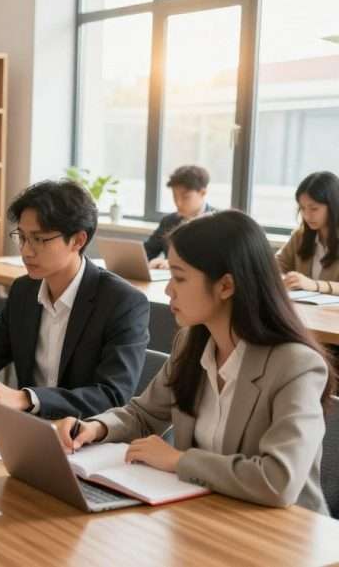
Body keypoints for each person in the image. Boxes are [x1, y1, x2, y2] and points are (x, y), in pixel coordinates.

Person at [55, 210, 336, 514]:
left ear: (226, 286)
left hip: (284, 535)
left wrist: (178, 461)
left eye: (179, 277)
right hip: (206, 512)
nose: (167, 289)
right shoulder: (191, 343)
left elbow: (279, 480)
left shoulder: (296, 365)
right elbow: (144, 414)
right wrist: (95, 428)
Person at [0, 179, 150, 419]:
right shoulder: (25, 290)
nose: (25, 251)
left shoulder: (122, 302)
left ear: (78, 240)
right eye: (21, 237)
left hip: (84, 436)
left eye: (39, 239)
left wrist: (26, 398)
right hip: (29, 427)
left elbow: (112, 395)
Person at [277, 171, 339, 295]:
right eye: (303, 208)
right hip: (305, 310)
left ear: (333, 206)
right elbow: (275, 265)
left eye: (314, 208)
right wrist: (283, 278)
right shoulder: (300, 236)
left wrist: (314, 285)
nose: (306, 215)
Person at [145, 165, 215, 269]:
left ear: (203, 192)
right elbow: (147, 252)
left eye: (185, 197)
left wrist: (174, 265)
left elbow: (214, 263)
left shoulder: (218, 222)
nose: (178, 203)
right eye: (175, 196)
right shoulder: (169, 221)